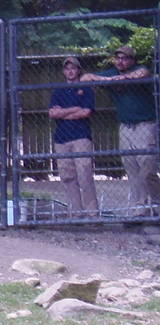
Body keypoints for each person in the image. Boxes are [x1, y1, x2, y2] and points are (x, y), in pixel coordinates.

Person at [87, 43, 160, 214]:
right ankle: (139, 208)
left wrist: (120, 79)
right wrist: (111, 80)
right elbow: (86, 77)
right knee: (131, 167)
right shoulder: (112, 73)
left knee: (147, 168)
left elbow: (142, 74)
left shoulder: (141, 69)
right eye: (117, 58)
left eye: (124, 58)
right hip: (125, 127)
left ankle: (155, 202)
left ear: (132, 60)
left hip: (145, 126)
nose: (120, 61)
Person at [47, 55, 98, 215]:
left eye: (73, 68)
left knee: (85, 175)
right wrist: (73, 109)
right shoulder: (58, 91)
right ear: (64, 71)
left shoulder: (86, 89)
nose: (70, 71)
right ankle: (76, 213)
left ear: (78, 70)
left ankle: (92, 213)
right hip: (61, 138)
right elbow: (52, 114)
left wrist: (63, 112)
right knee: (67, 177)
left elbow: (86, 112)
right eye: (67, 69)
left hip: (81, 137)